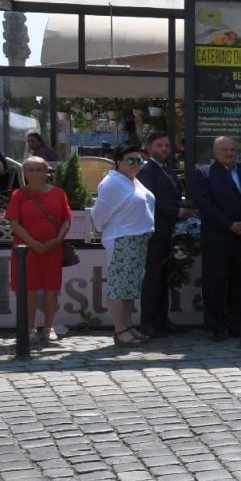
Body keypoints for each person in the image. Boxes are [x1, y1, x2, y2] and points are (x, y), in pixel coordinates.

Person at [193, 136, 241, 342]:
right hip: (219, 238)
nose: (230, 153)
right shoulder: (204, 174)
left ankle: (238, 325)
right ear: (216, 152)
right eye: (225, 150)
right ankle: (216, 327)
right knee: (215, 284)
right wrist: (230, 225)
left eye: (233, 149)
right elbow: (206, 205)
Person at [90, 141, 156, 348]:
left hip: (136, 239)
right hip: (122, 239)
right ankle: (121, 330)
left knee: (129, 288)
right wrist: (101, 229)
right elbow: (99, 214)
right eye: (131, 160)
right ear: (119, 162)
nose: (137, 163)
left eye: (140, 160)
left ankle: (128, 326)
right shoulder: (113, 183)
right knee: (119, 287)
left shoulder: (133, 180)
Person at [4, 155, 72, 343]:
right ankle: (30, 328)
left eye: (39, 169)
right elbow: (14, 223)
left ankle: (49, 327)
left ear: (46, 172)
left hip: (52, 248)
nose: (35, 173)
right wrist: (32, 242)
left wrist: (58, 238)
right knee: (29, 290)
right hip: (25, 250)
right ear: (24, 172)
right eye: (31, 169)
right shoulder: (18, 195)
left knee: (51, 289)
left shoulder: (58, 193)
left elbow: (67, 218)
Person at [137, 130, 186, 337]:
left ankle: (162, 320)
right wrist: (176, 211)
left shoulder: (167, 170)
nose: (164, 149)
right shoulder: (147, 171)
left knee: (164, 277)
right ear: (149, 149)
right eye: (160, 145)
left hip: (168, 231)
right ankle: (148, 322)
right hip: (155, 232)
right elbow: (152, 201)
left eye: (166, 145)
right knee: (153, 278)